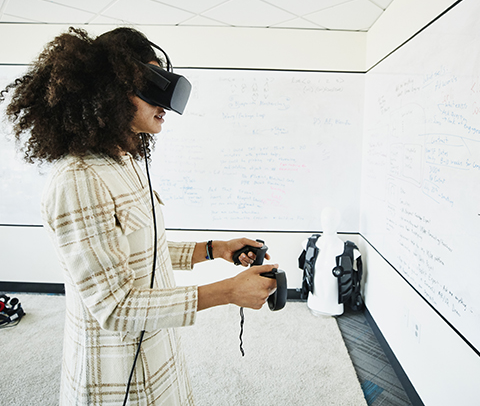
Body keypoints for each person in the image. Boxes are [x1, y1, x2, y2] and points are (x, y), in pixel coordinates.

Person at [1, 27, 278, 405]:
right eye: (149, 88)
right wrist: (228, 292)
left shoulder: (125, 160)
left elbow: (142, 250)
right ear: (111, 92)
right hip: (118, 376)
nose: (164, 105)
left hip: (157, 346)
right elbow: (115, 307)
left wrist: (215, 249)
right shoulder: (78, 180)